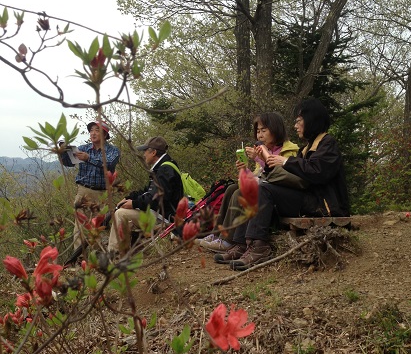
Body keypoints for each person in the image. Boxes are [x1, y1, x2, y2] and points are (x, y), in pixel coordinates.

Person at [214, 98, 350, 270]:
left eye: (299, 121)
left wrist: (285, 162)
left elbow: (317, 172)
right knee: (255, 189)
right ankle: (241, 244)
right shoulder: (308, 148)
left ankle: (259, 247)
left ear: (311, 120)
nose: (295, 126)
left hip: (323, 205)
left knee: (263, 189)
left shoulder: (327, 144)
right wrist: (270, 165)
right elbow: (296, 178)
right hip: (307, 199)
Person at [199, 112, 299, 252]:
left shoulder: (289, 151)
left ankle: (228, 240)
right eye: (258, 131)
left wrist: (260, 159)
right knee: (231, 188)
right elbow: (256, 179)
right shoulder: (264, 150)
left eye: (264, 131)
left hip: (275, 197)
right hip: (263, 191)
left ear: (276, 130)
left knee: (239, 193)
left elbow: (280, 177)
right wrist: (244, 169)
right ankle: (217, 234)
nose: (260, 135)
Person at [108, 136, 184, 254]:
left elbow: (157, 199)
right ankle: (125, 253)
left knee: (121, 214)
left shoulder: (165, 169)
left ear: (153, 152)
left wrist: (134, 204)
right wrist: (128, 198)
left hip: (165, 218)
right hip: (159, 214)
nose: (144, 154)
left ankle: (113, 255)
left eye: (145, 151)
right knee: (125, 214)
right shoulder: (163, 167)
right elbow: (147, 191)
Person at [61, 120, 120, 250]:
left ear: (105, 134)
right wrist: (62, 152)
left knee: (98, 226)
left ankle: (98, 255)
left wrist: (88, 158)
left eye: (97, 130)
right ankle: (79, 257)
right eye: (91, 130)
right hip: (83, 191)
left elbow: (108, 164)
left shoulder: (113, 150)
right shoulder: (83, 148)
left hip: (102, 194)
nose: (93, 133)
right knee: (79, 227)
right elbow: (69, 163)